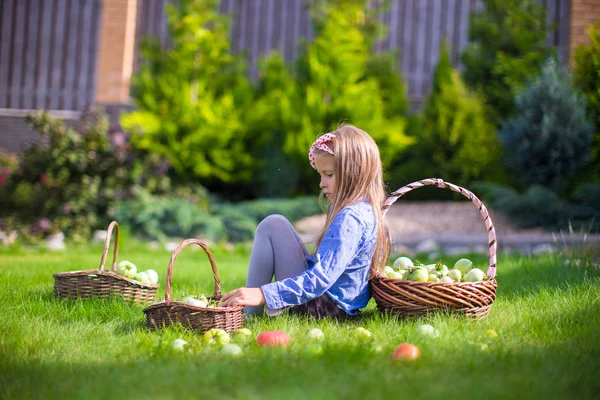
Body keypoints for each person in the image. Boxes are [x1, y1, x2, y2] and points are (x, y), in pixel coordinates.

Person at [221, 124, 391, 319]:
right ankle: (247, 312)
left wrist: (263, 294)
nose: (321, 183)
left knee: (272, 225)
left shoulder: (351, 218)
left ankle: (247, 314)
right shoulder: (363, 210)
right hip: (330, 305)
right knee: (275, 224)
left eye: (329, 174)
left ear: (355, 173)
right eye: (321, 175)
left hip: (323, 309)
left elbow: (320, 279)